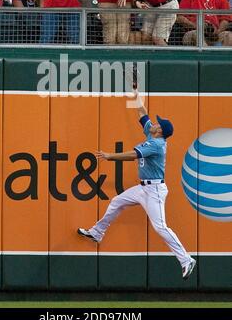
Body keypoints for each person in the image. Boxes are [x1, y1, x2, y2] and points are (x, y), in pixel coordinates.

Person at [77, 88, 197, 280]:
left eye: (158, 123)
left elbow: (133, 155)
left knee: (160, 227)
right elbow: (141, 111)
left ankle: (186, 260)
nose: (155, 123)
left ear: (160, 131)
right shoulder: (153, 135)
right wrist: (134, 90)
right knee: (117, 201)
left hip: (155, 190)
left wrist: (109, 156)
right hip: (143, 188)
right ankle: (97, 233)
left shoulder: (157, 144)